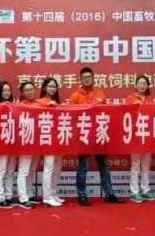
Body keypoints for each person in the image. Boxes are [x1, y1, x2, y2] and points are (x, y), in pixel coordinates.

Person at [69, 67, 122, 206]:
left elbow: (106, 113)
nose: (87, 79)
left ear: (93, 78)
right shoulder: (75, 96)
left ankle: (109, 194)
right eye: (84, 77)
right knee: (83, 166)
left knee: (104, 165)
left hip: (99, 133)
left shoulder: (100, 93)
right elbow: (72, 116)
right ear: (80, 79)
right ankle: (82, 195)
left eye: (89, 77)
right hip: (84, 135)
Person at [126, 75, 155, 203]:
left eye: (144, 83)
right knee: (135, 165)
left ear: (148, 86)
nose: (142, 86)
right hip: (135, 135)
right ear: (136, 85)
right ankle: (134, 191)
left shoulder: (151, 100)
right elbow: (125, 114)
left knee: (146, 165)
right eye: (140, 83)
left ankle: (145, 190)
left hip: (147, 136)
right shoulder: (130, 98)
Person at [38, 77, 65, 207]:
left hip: (58, 138)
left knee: (57, 166)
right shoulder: (40, 102)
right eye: (50, 86)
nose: (52, 89)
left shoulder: (57, 102)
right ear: (44, 88)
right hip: (48, 138)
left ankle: (53, 193)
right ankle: (47, 196)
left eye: (54, 86)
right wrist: (49, 105)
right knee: (49, 167)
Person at [15, 81, 41, 209]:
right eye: (27, 90)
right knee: (24, 170)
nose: (30, 92)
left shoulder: (38, 104)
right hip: (25, 142)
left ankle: (30, 194)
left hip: (37, 141)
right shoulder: (19, 106)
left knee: (32, 169)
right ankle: (23, 197)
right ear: (22, 93)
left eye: (31, 89)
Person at [0, 81, 17, 208]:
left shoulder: (14, 105)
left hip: (13, 142)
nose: (6, 92)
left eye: (8, 90)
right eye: (4, 90)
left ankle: (8, 196)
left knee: (10, 170)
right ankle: (0, 197)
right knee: (1, 170)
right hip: (1, 143)